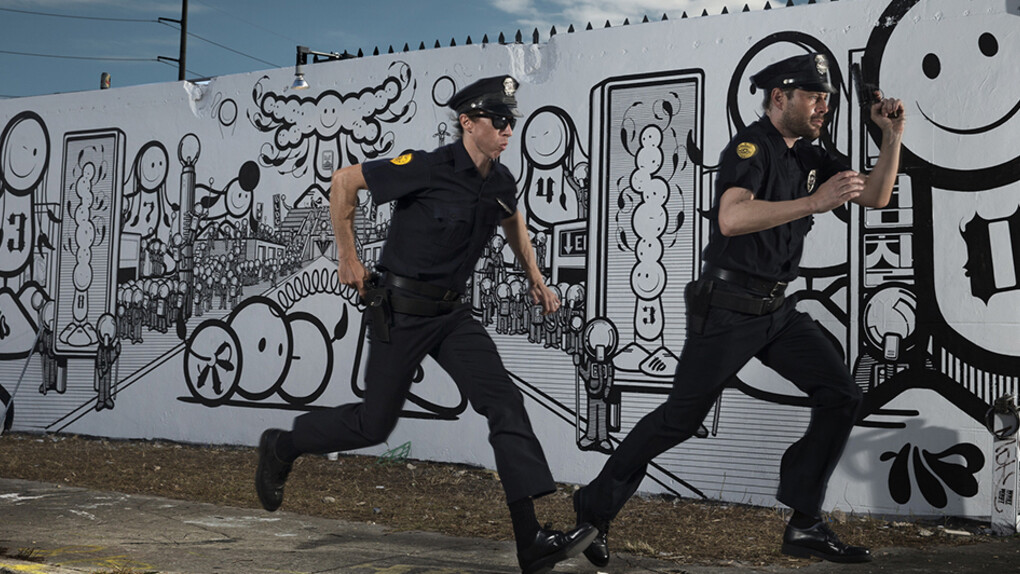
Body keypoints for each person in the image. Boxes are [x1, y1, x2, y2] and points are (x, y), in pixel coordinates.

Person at [573, 53, 905, 567]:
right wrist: (813, 203)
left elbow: (878, 196)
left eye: (827, 98)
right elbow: (730, 217)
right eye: (813, 97)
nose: (823, 106)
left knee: (841, 394)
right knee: (679, 421)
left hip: (775, 311)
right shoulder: (751, 146)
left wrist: (891, 136)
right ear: (780, 97)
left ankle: (804, 522)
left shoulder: (811, 155)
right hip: (727, 309)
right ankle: (593, 509)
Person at [255, 75, 596, 574]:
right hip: (401, 311)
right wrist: (347, 257)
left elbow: (513, 221)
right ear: (468, 122)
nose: (508, 130)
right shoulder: (427, 167)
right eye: (499, 120)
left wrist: (536, 278)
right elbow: (344, 181)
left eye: (512, 122)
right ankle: (282, 445)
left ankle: (532, 541)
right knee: (374, 425)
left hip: (452, 316)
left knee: (503, 402)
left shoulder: (501, 182)